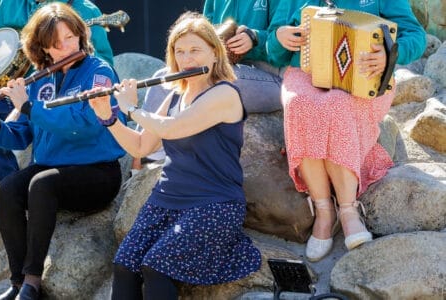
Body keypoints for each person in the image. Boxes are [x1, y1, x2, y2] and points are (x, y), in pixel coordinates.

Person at [88, 12, 261, 299]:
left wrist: (132, 108)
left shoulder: (224, 94)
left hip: (213, 203)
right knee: (125, 265)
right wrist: (109, 118)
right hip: (167, 199)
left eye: (195, 50)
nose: (187, 59)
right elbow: (141, 147)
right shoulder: (174, 95)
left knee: (156, 267)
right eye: (180, 52)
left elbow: (172, 129)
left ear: (215, 54)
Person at [0, 3, 125, 299]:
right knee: (8, 189)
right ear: (42, 50)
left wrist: (28, 106)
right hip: (52, 167)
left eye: (71, 38)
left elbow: (87, 125)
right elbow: (22, 136)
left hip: (97, 171)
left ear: (82, 36)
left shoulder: (100, 72)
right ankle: (17, 283)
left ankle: (32, 282)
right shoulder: (41, 78)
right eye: (56, 44)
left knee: (41, 185)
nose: (67, 47)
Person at [266, 0, 425, 261]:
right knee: (299, 104)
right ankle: (324, 210)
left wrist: (389, 54)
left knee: (336, 105)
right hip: (306, 74)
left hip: (366, 78)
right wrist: (280, 38)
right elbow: (274, 49)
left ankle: (349, 210)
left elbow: (415, 35)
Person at [0, 0, 115, 204]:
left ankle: (43, 182)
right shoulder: (7, 5)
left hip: (61, 99)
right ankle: (5, 180)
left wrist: (65, 63)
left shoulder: (84, 10)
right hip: (17, 94)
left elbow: (104, 62)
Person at [131, 0, 283, 172]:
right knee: (163, 77)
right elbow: (202, 37)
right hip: (222, 67)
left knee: (217, 79)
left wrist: (255, 39)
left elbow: (285, 44)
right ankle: (142, 164)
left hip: (270, 77)